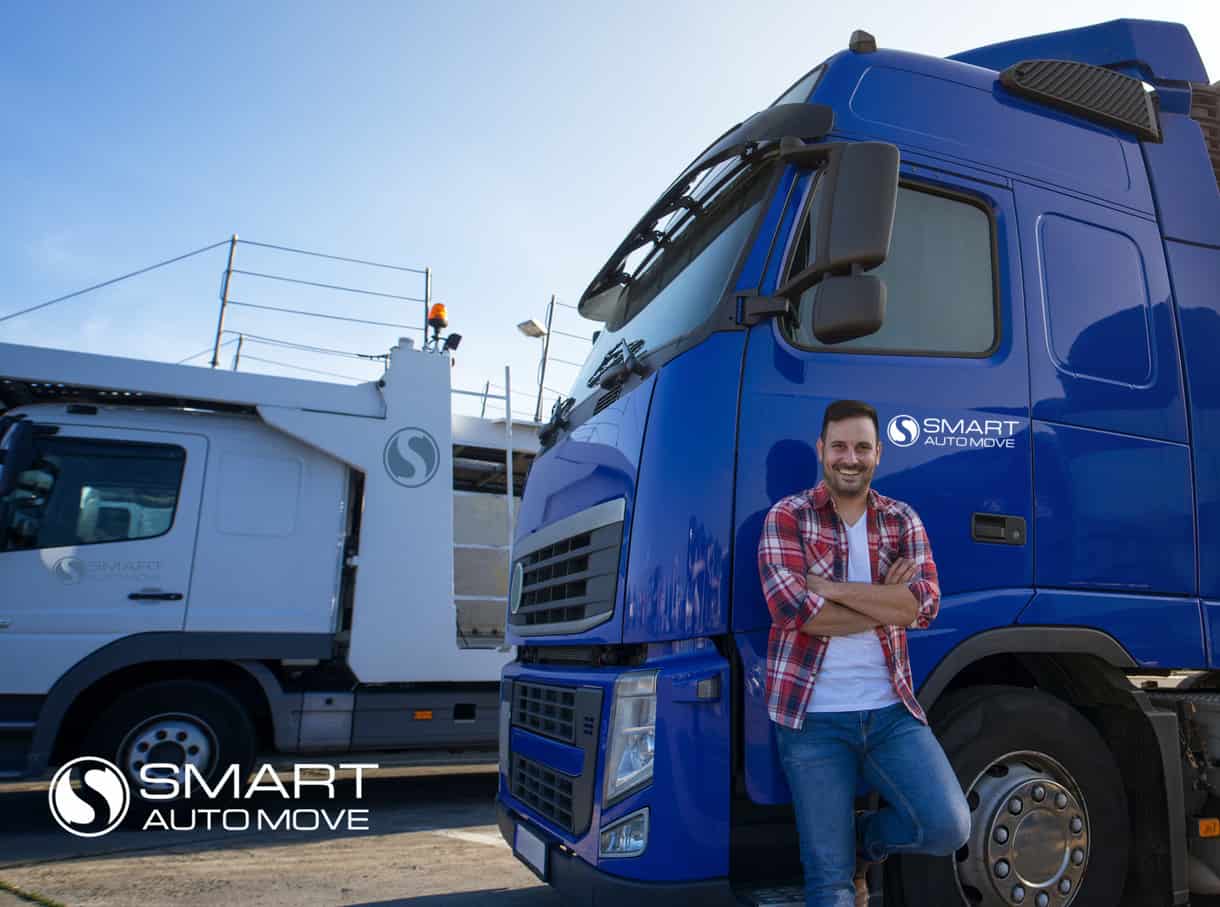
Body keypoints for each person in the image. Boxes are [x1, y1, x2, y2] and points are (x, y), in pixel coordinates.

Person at [757, 399, 970, 907]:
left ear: (878, 454)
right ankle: (842, 853)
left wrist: (828, 586)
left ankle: (866, 837)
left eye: (861, 447)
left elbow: (926, 605)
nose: (849, 457)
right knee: (830, 886)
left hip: (891, 711)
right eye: (839, 447)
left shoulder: (902, 519)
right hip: (811, 720)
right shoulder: (787, 516)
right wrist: (887, 601)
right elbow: (795, 612)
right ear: (821, 451)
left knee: (948, 826)